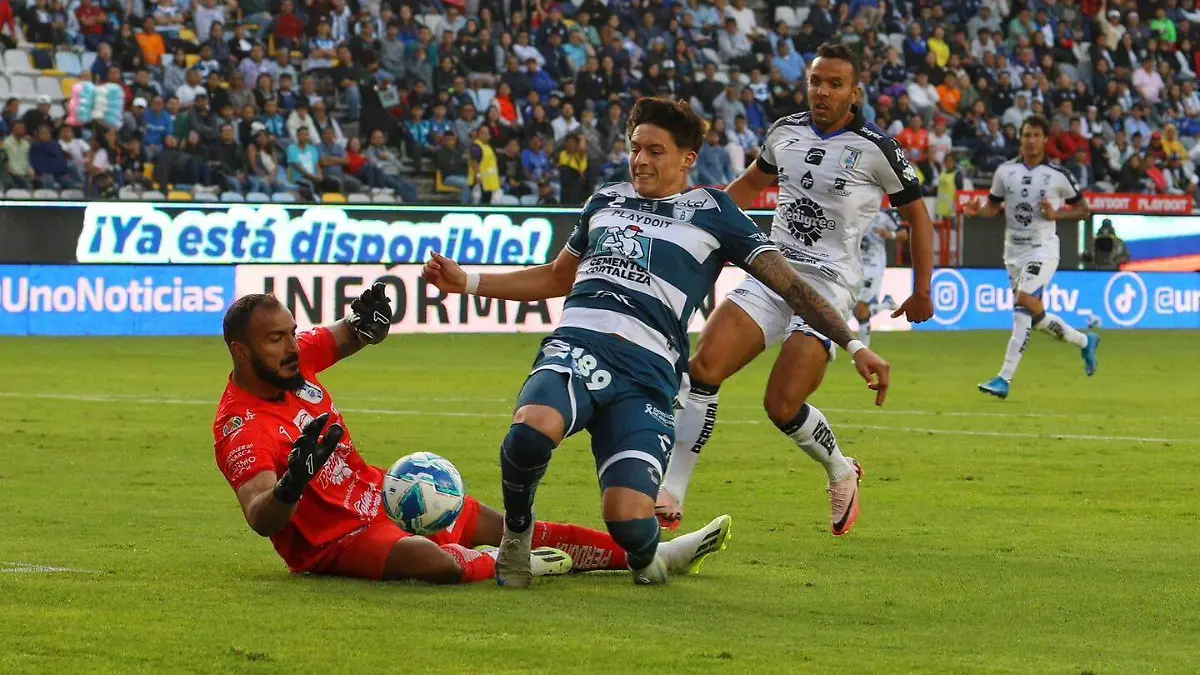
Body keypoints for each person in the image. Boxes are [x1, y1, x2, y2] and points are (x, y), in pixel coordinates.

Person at [421, 97, 890, 588]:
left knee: (627, 520)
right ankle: (516, 539)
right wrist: (468, 281)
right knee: (530, 431)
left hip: (648, 375)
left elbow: (791, 286)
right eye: (635, 148)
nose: (640, 160)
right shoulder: (606, 200)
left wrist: (854, 345)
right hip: (580, 346)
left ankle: (651, 557)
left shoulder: (715, 212)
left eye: (655, 151)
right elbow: (557, 276)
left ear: (688, 158)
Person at [213, 288, 732, 583]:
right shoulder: (241, 428)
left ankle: (656, 553)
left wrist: (368, 322)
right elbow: (260, 515)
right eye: (277, 339)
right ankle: (507, 565)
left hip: (380, 495)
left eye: (291, 333)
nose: (293, 347)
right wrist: (293, 484)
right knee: (431, 560)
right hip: (335, 540)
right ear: (241, 351)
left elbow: (348, 334)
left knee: (507, 524)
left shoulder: (295, 361)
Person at [655, 44, 934, 537]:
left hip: (829, 284)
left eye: (834, 84)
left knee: (781, 405)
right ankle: (672, 492)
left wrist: (922, 289)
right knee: (703, 369)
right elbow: (744, 190)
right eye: (816, 82)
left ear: (855, 93)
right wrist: (694, 227)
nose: (822, 92)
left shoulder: (878, 148)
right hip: (772, 271)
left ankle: (840, 469)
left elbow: (919, 217)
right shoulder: (784, 131)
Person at [963, 115, 1100, 400]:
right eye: (1027, 135)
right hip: (1013, 252)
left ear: (1046, 139)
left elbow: (1084, 210)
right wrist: (979, 210)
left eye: (1036, 135)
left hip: (1043, 248)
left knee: (1023, 302)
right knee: (1035, 316)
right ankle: (1085, 341)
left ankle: (1004, 378)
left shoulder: (1059, 175)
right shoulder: (1005, 172)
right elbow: (993, 207)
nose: (1031, 140)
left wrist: (1056, 214)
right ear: (1021, 138)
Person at [853, 209, 907, 348]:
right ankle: (886, 304)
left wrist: (890, 234)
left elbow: (904, 234)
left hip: (873, 267)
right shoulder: (854, 211)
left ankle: (863, 350)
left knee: (860, 308)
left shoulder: (884, 215)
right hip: (855, 266)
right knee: (856, 311)